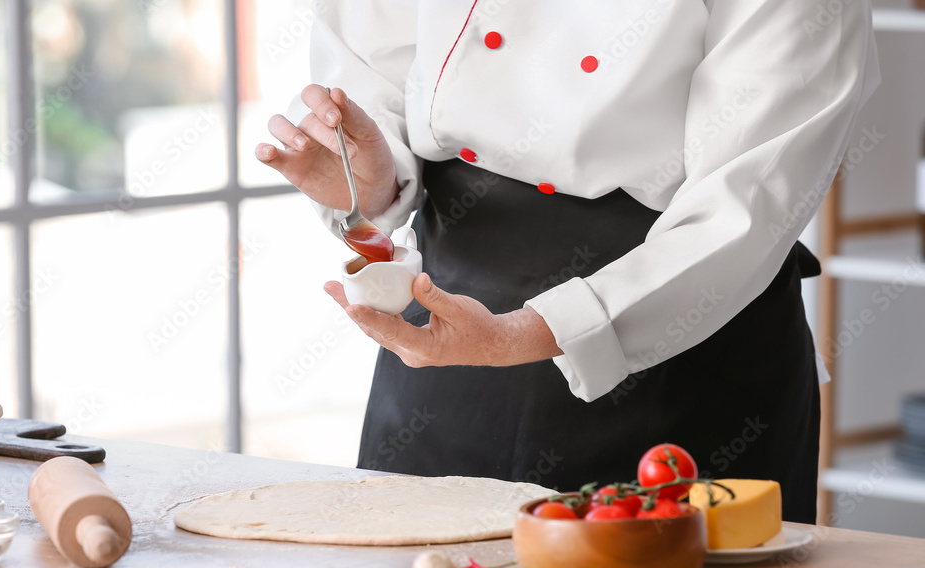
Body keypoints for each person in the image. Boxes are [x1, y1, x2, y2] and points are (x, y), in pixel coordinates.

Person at [256, 0, 881, 523]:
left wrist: (523, 335)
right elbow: (376, 69)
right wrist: (368, 180)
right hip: (446, 334)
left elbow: (746, 205)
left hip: (675, 344)